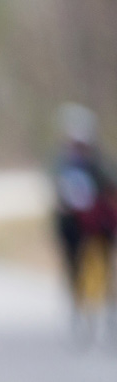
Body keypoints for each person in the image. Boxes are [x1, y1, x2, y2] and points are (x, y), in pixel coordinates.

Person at [51, 103, 116, 342]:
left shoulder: (98, 162)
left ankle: (108, 312)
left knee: (106, 269)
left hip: (98, 223)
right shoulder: (62, 162)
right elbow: (58, 194)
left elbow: (110, 187)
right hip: (73, 226)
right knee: (74, 269)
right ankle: (78, 311)